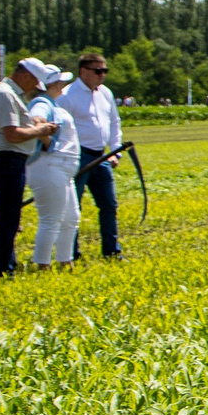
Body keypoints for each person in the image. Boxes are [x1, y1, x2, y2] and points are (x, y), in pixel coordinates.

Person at [0, 57, 55, 277]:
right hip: (7, 160)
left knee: (10, 217)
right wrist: (41, 131)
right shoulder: (6, 95)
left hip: (9, 160)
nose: (34, 88)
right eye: (34, 82)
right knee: (8, 219)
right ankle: (3, 270)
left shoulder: (10, 93)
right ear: (25, 76)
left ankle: (8, 264)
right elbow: (12, 134)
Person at [63, 51, 125, 260]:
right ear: (83, 71)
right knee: (73, 207)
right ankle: (71, 253)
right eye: (98, 70)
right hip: (78, 156)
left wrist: (115, 151)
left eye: (105, 70)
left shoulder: (105, 93)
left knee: (109, 205)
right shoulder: (68, 95)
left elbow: (114, 122)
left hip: (102, 157)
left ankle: (111, 251)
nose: (102, 75)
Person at [24, 61, 82, 268]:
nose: (62, 85)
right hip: (49, 165)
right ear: (52, 85)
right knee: (51, 220)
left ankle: (65, 261)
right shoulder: (42, 102)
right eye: (59, 82)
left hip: (61, 169)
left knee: (71, 218)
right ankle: (42, 265)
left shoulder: (52, 104)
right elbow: (36, 120)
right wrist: (48, 143)